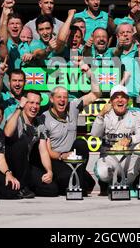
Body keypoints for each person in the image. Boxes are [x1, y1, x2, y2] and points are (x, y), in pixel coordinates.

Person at [42, 65, 101, 195]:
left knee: (81, 143)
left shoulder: (73, 106)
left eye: (65, 97)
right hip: (57, 159)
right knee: (68, 179)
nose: (62, 100)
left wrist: (90, 74)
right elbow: (47, 151)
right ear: (52, 99)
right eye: (59, 97)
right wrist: (61, 156)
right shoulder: (44, 118)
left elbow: (96, 94)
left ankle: (78, 185)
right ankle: (78, 184)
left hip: (73, 157)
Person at [4, 91, 59, 197]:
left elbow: (43, 150)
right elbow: (7, 133)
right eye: (31, 102)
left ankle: (25, 186)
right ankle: (21, 187)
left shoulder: (39, 123)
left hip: (26, 165)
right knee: (22, 143)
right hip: (10, 164)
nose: (34, 106)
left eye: (37, 103)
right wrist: (19, 108)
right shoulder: (15, 117)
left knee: (52, 189)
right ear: (24, 103)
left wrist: (49, 171)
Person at [91, 85, 140, 189]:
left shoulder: (136, 114)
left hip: (128, 158)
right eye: (116, 97)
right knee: (102, 172)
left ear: (128, 100)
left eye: (123, 97)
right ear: (111, 101)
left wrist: (131, 140)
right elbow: (95, 134)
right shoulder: (105, 115)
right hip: (110, 157)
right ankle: (112, 183)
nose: (120, 100)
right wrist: (101, 114)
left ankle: (128, 184)